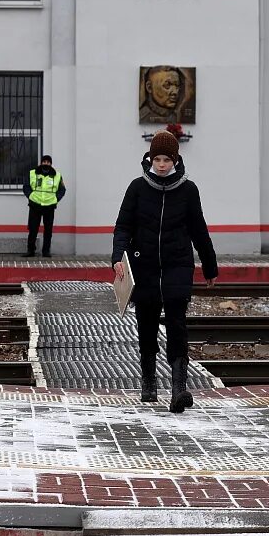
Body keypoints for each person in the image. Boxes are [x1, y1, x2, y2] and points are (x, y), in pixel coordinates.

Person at [111, 130, 218, 413]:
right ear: (149, 159)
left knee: (177, 324)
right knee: (146, 324)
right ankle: (148, 383)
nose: (160, 164)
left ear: (175, 160)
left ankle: (179, 388)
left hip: (177, 266)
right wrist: (117, 258)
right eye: (156, 158)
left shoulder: (188, 190)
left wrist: (209, 266)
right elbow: (123, 226)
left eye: (166, 159)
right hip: (143, 266)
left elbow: (199, 230)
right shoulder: (137, 188)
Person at [23, 155, 65, 258]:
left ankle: (46, 252)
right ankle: (30, 251)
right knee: (33, 229)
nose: (46, 163)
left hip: (49, 206)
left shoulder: (57, 176)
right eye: (44, 161)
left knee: (48, 230)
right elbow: (26, 186)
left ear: (51, 164)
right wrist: (30, 196)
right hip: (35, 204)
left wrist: (56, 199)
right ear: (41, 163)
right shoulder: (32, 173)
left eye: (48, 162)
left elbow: (62, 190)